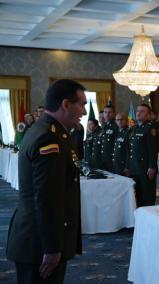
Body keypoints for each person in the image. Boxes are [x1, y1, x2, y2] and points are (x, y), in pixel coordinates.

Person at [6, 79, 85, 283]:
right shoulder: (49, 139)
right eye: (82, 104)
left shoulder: (49, 130)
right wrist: (51, 247)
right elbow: (46, 199)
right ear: (66, 105)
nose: (84, 112)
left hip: (36, 237)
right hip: (39, 244)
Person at [127, 104, 158, 207]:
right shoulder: (135, 128)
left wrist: (152, 167)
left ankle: (149, 220)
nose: (138, 113)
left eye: (142, 111)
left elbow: (153, 150)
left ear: (148, 115)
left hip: (145, 168)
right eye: (137, 111)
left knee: (147, 196)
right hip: (135, 167)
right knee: (137, 196)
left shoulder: (150, 129)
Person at [100, 105, 118, 171]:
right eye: (105, 112)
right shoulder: (104, 125)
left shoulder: (116, 125)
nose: (107, 115)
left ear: (114, 113)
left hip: (112, 160)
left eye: (109, 112)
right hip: (104, 159)